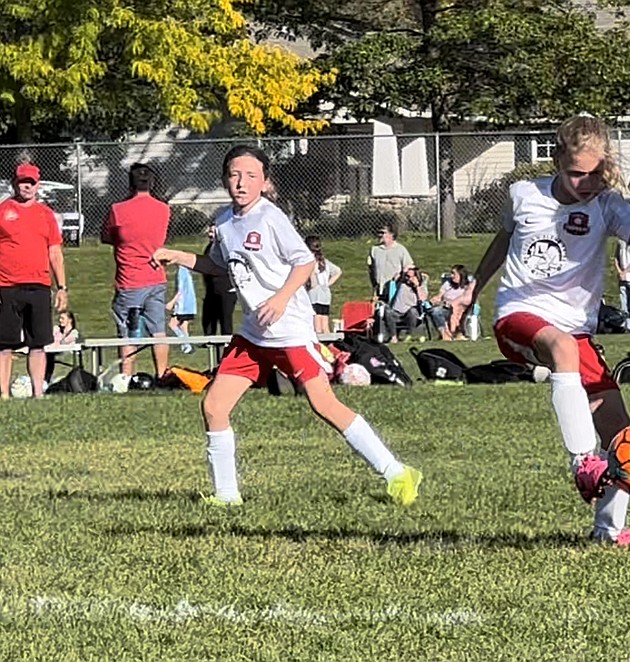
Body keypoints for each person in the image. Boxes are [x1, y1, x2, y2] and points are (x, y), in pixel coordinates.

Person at [152, 145, 421, 507]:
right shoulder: (223, 221)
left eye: (250, 176)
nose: (241, 182)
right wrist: (178, 256)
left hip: (290, 331)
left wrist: (279, 300)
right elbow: (220, 265)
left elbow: (305, 263)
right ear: (224, 179)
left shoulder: (270, 218)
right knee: (214, 406)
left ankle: (397, 473)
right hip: (254, 334)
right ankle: (227, 498)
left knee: (324, 404)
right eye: (234, 175)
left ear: (264, 182)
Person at [467, 114, 630, 547]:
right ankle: (582, 460)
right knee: (563, 348)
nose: (584, 183)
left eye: (593, 173)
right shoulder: (522, 194)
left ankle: (608, 530)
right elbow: (503, 240)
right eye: (575, 173)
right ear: (556, 159)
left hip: (575, 333)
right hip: (521, 314)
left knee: (623, 435)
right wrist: (473, 290)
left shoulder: (605, 204)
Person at [0, 163, 69, 400]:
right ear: (14, 184)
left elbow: (55, 252)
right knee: (4, 344)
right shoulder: (3, 210)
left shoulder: (46, 214)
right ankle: (4, 393)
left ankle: (38, 392)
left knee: (38, 343)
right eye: (22, 182)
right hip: (7, 285)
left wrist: (62, 287)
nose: (26, 186)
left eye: (30, 182)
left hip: (39, 285)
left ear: (37, 185)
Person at [101, 163, 171, 378]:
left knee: (127, 332)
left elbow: (106, 236)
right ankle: (161, 375)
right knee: (158, 331)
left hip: (130, 280)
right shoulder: (164, 209)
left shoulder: (118, 210)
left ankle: (126, 376)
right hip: (156, 277)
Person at [201, 224, 237, 335]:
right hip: (212, 288)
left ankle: (226, 341)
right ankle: (209, 340)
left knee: (225, 316)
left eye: (213, 232)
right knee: (208, 316)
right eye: (209, 232)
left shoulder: (226, 247)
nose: (210, 234)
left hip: (226, 288)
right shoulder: (209, 248)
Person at [305, 235, 342, 334]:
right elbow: (338, 271)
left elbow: (313, 283)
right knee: (325, 325)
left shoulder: (309, 260)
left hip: (314, 293)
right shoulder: (324, 261)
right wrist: (327, 284)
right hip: (325, 293)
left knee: (316, 326)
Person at [428, 265, 473, 340]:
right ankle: (444, 334)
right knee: (436, 311)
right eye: (451, 273)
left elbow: (468, 301)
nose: (452, 276)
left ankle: (455, 333)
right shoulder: (447, 284)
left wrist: (454, 304)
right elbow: (439, 296)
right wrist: (435, 300)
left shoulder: (468, 287)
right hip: (446, 309)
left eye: (454, 273)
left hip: (461, 311)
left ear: (461, 275)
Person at [388, 266, 428, 342]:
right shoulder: (401, 283)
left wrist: (417, 286)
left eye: (410, 277)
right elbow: (396, 277)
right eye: (407, 276)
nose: (408, 278)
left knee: (413, 311)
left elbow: (423, 299)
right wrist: (406, 269)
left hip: (409, 314)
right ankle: (393, 337)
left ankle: (409, 334)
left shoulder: (421, 286)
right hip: (396, 312)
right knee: (387, 311)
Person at [166, 265, 197, 354]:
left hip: (182, 306)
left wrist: (172, 302)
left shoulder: (181, 272)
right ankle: (187, 346)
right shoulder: (187, 272)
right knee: (184, 326)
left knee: (172, 324)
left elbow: (180, 290)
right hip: (189, 305)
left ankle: (185, 344)